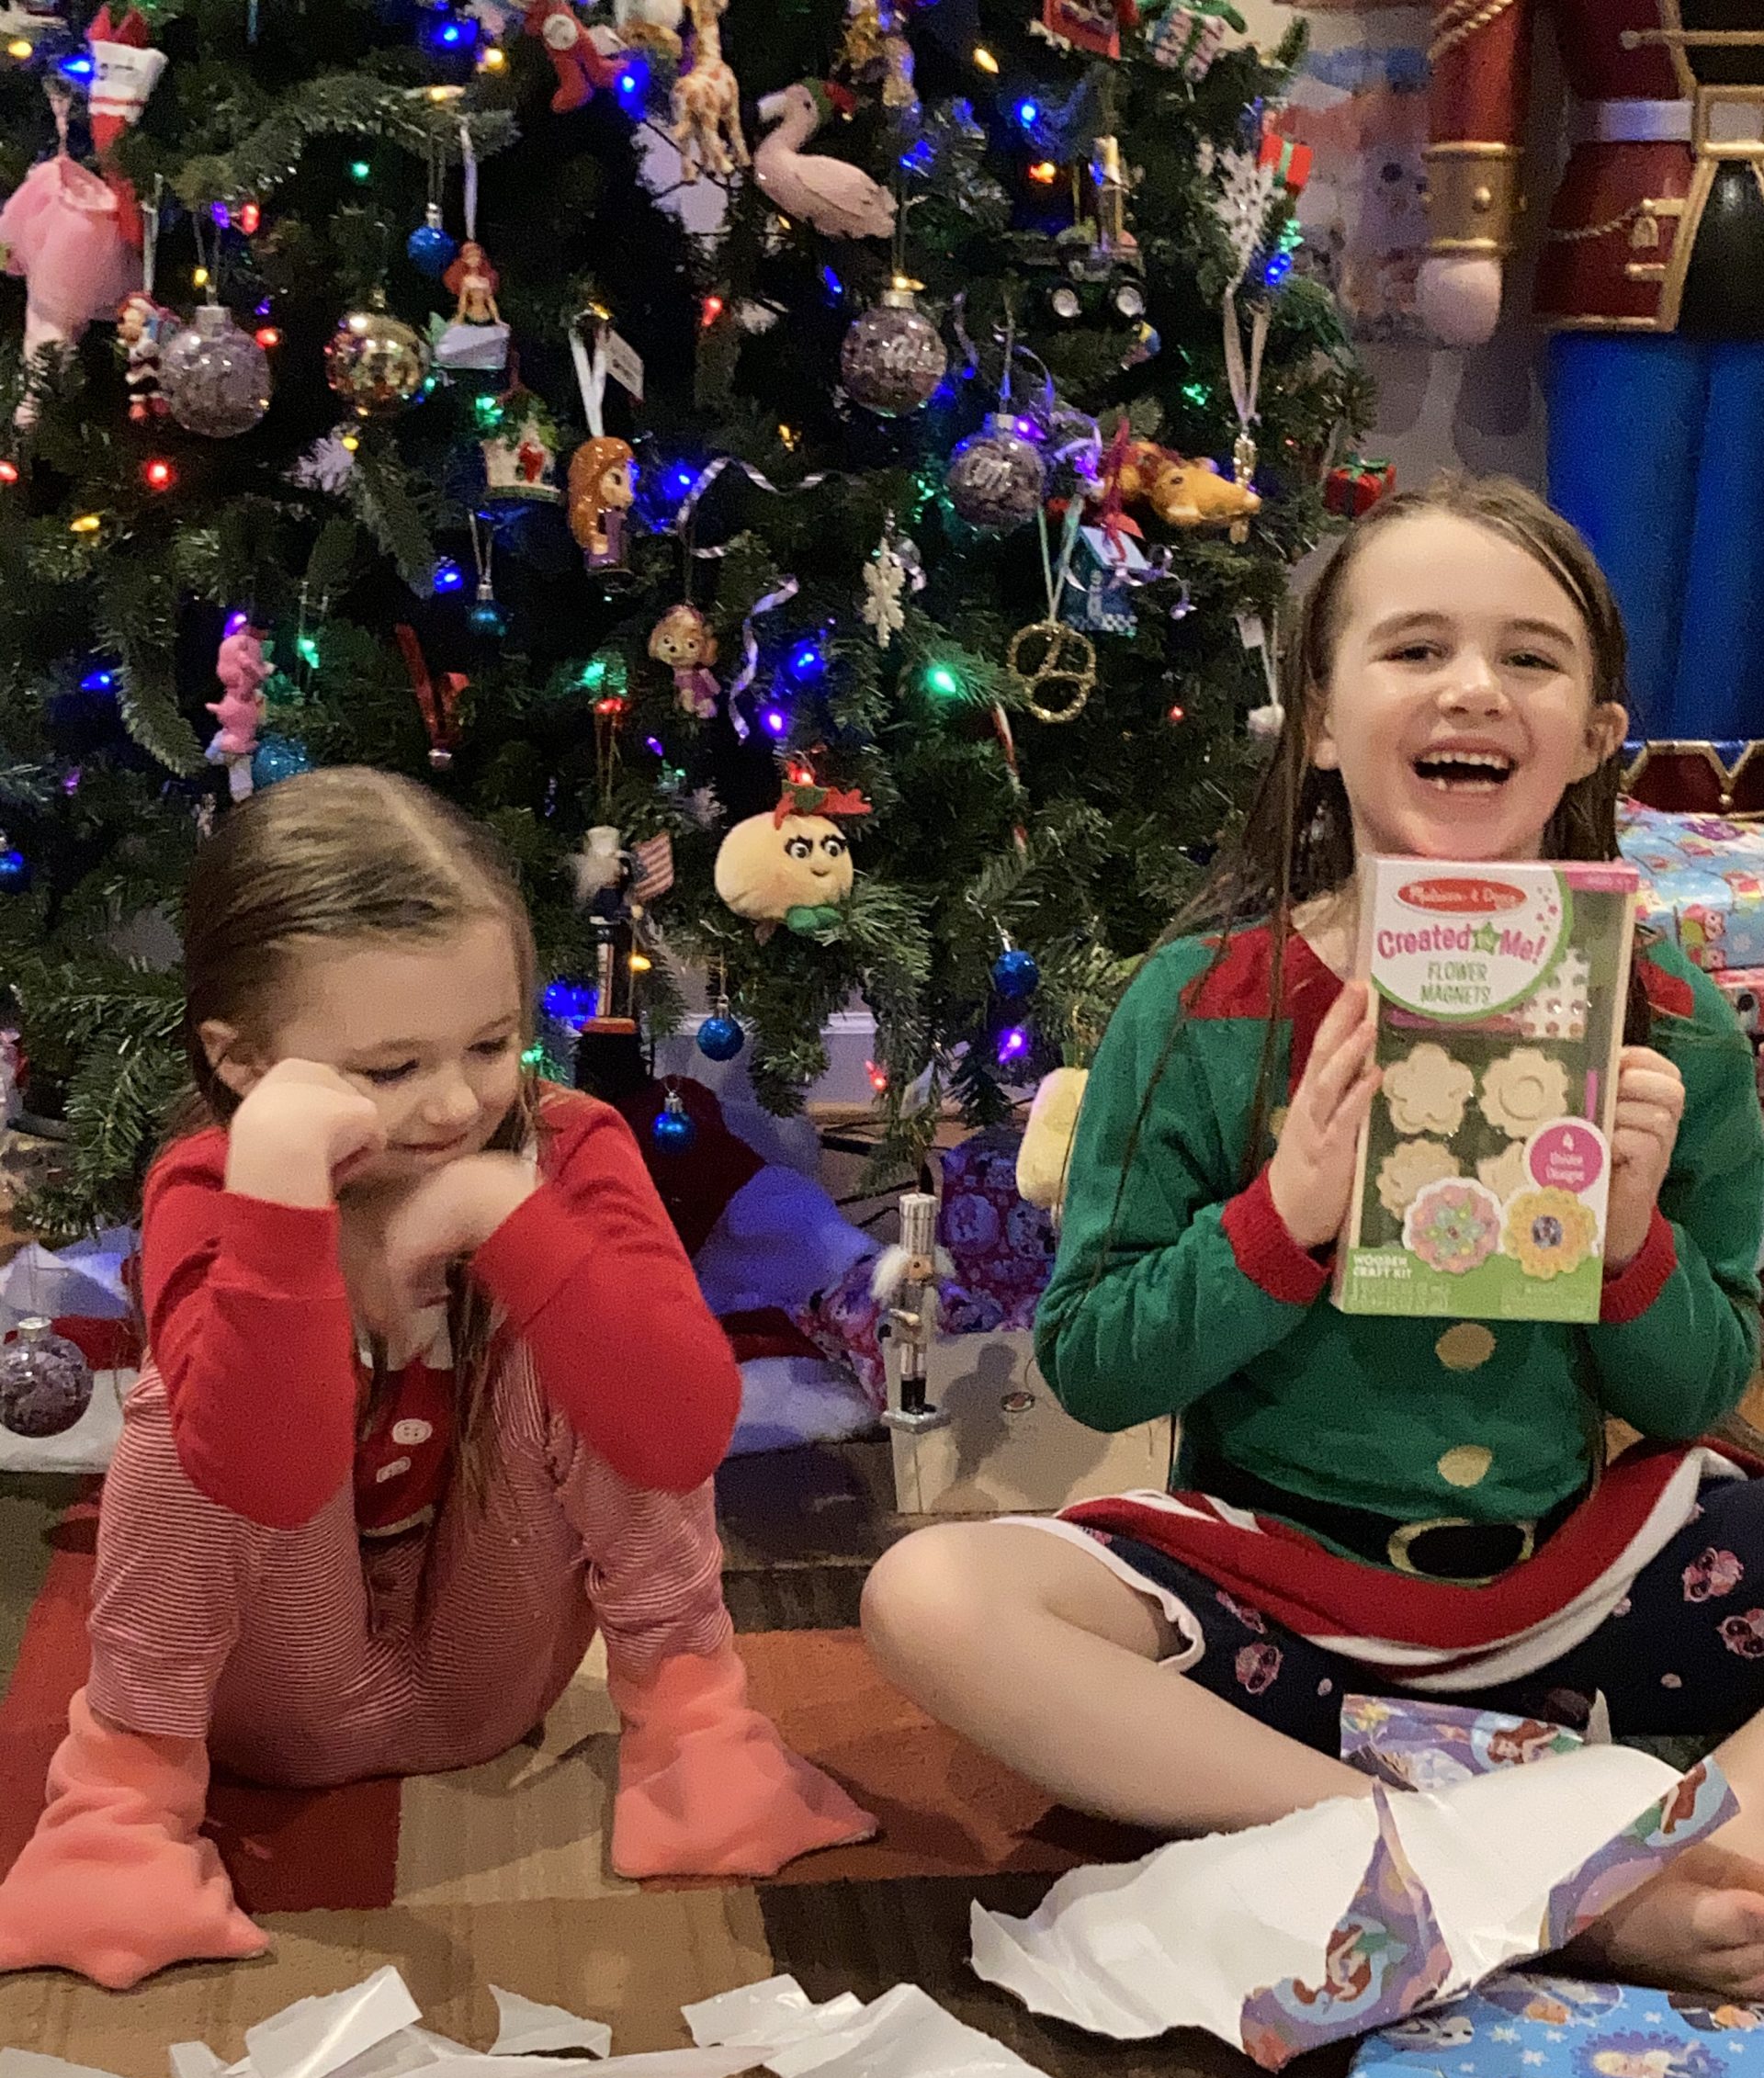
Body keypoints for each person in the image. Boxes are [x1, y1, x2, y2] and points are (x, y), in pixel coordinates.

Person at [864, 474, 1764, 1997]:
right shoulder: (1201, 1007)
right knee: (928, 1598)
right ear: (1323, 722)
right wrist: (1280, 1220)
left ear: (1597, 735)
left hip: (1582, 1577)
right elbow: (1092, 1362)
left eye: (1530, 658)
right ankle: (1527, 1877)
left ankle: (1662, 1872)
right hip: (1277, 1600)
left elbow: (1703, 1393)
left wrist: (1629, 1252)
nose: (1473, 687)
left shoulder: (1669, 1018)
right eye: (1414, 648)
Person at [0, 769, 873, 1990]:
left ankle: (698, 1738)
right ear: (243, 1063)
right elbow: (257, 1474)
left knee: (608, 1338)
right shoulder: (211, 1183)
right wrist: (281, 1205)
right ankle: (117, 1814)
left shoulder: (568, 1147)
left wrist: (507, 1220)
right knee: (174, 1417)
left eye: (489, 1045)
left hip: (488, 1672)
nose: (456, 1103)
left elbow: (677, 1433)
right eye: (389, 1068)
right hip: (265, 1701)